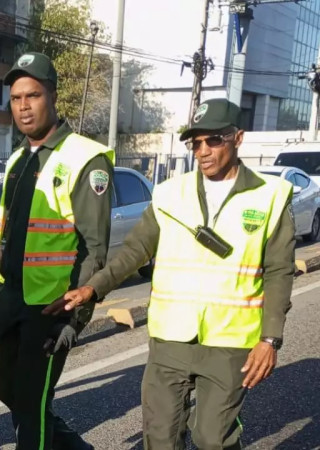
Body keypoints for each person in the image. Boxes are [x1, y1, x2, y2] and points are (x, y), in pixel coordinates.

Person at [58, 98, 295, 449]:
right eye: (195, 142)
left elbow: (279, 271)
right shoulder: (171, 193)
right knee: (160, 437)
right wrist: (93, 288)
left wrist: (270, 339)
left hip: (229, 343)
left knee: (213, 438)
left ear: (238, 138)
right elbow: (136, 250)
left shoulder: (270, 196)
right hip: (170, 337)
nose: (202, 150)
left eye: (213, 140)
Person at [0, 52, 114, 450]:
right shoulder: (17, 160)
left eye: (33, 96)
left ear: (53, 96)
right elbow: (7, 237)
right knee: (8, 393)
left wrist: (73, 318)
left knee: (30, 403)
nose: (23, 107)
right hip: (11, 301)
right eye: (16, 99)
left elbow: (95, 249)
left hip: (51, 308)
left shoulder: (84, 159)